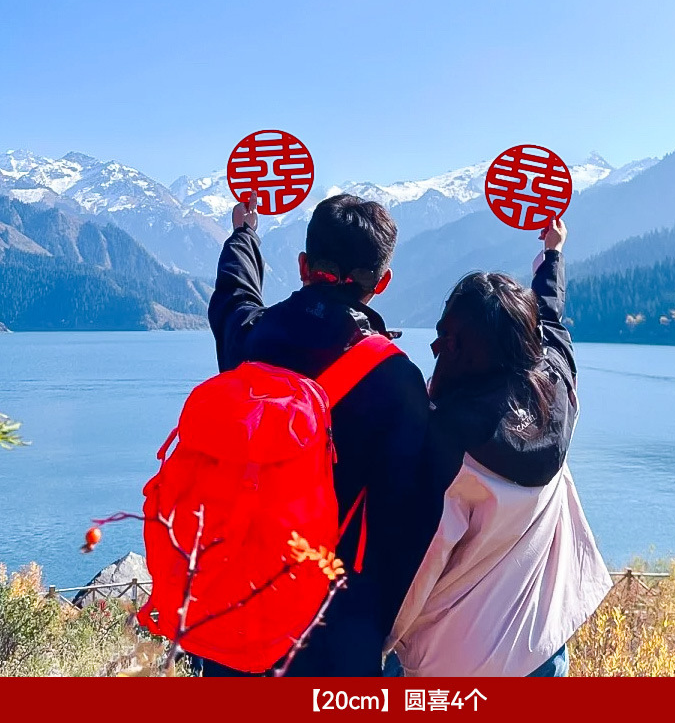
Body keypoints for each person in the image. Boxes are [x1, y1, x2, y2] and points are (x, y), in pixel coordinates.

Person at [205, 191, 434, 677]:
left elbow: (232, 298)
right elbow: (407, 517)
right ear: (383, 282)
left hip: (238, 612)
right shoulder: (397, 380)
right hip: (335, 630)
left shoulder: (253, 339)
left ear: (303, 265)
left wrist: (245, 235)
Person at [385, 218, 612, 677]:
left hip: (453, 658)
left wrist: (381, 639)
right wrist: (552, 255)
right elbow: (550, 321)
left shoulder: (447, 443)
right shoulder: (556, 392)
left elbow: (421, 563)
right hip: (542, 646)